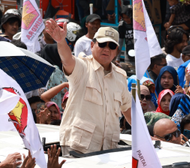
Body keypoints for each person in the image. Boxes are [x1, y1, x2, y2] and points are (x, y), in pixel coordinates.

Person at [45, 20, 132, 154]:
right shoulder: (83, 67)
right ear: (92, 45)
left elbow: (128, 109)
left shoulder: (120, 77)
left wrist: (143, 135)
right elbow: (67, 60)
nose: (106, 49)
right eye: (102, 44)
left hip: (109, 150)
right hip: (78, 148)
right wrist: (61, 41)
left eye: (112, 46)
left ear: (116, 51)